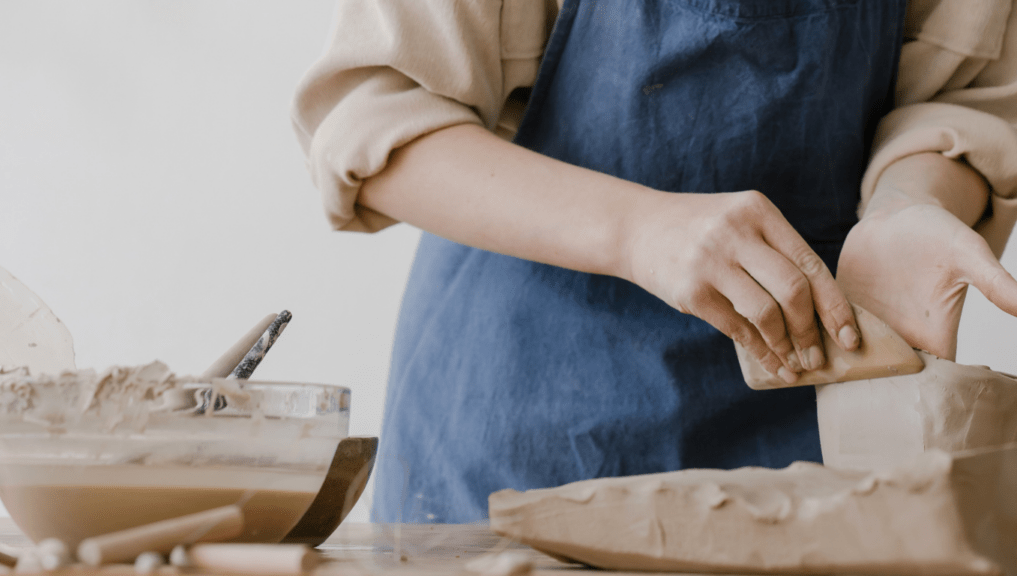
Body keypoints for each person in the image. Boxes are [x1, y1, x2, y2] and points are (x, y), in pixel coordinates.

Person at [292, 0, 1017, 523]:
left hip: (800, 450)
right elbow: (374, 109)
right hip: (521, 437)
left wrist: (908, 202)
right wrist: (638, 230)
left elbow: (961, 100)